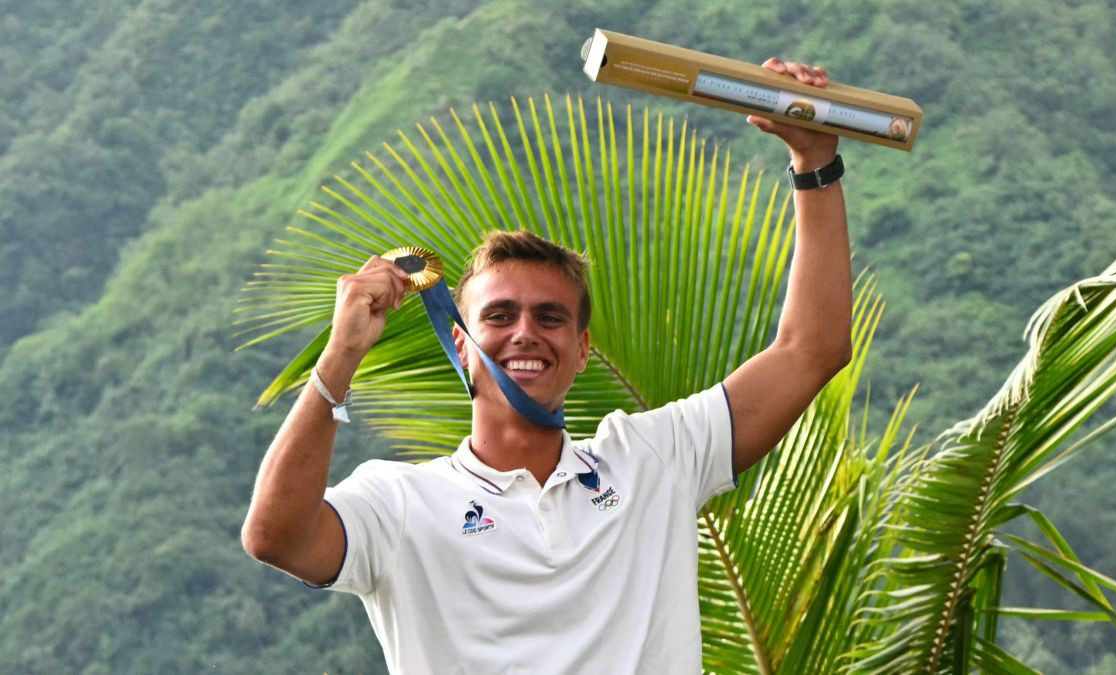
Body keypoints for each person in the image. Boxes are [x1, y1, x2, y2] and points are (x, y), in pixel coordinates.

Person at [242, 58, 852, 674]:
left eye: (551, 317)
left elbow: (812, 349)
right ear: (461, 344)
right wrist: (341, 356)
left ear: (583, 348)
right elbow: (275, 537)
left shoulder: (652, 460)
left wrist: (814, 162)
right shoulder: (399, 502)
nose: (526, 332)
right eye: (500, 316)